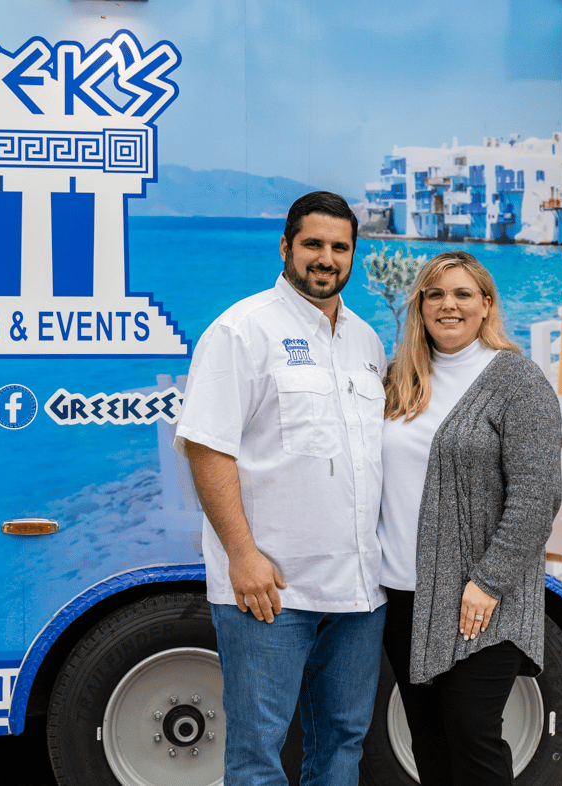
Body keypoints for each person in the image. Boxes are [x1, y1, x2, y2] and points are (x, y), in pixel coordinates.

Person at [175, 191, 388, 786]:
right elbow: (206, 446)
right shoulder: (242, 331)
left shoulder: (366, 343)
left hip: (357, 593)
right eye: (313, 244)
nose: (326, 258)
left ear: (353, 256)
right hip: (270, 591)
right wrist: (243, 556)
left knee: (343, 744)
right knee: (257, 755)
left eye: (339, 247)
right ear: (286, 247)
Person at [377, 250, 562, 786]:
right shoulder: (402, 381)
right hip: (404, 594)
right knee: (429, 743)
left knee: (473, 737)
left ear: (486, 305)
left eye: (462, 294)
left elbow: (536, 496)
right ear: (420, 307)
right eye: (435, 294)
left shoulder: (516, 382)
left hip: (480, 601)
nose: (448, 305)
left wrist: (487, 581)